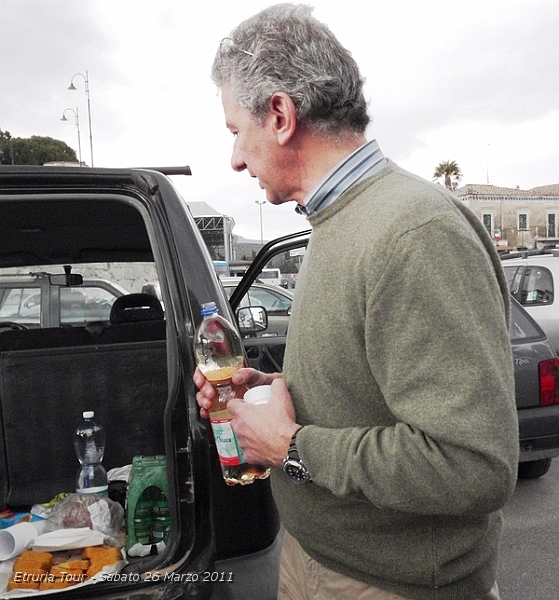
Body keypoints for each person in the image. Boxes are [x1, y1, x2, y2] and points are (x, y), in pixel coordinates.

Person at [194, 4, 518, 600]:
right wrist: (266, 393)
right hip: (320, 560)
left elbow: (472, 466)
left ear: (281, 115)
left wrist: (289, 446)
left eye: (236, 132)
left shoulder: (413, 231)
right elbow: (367, 385)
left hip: (392, 584)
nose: (235, 158)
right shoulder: (337, 221)